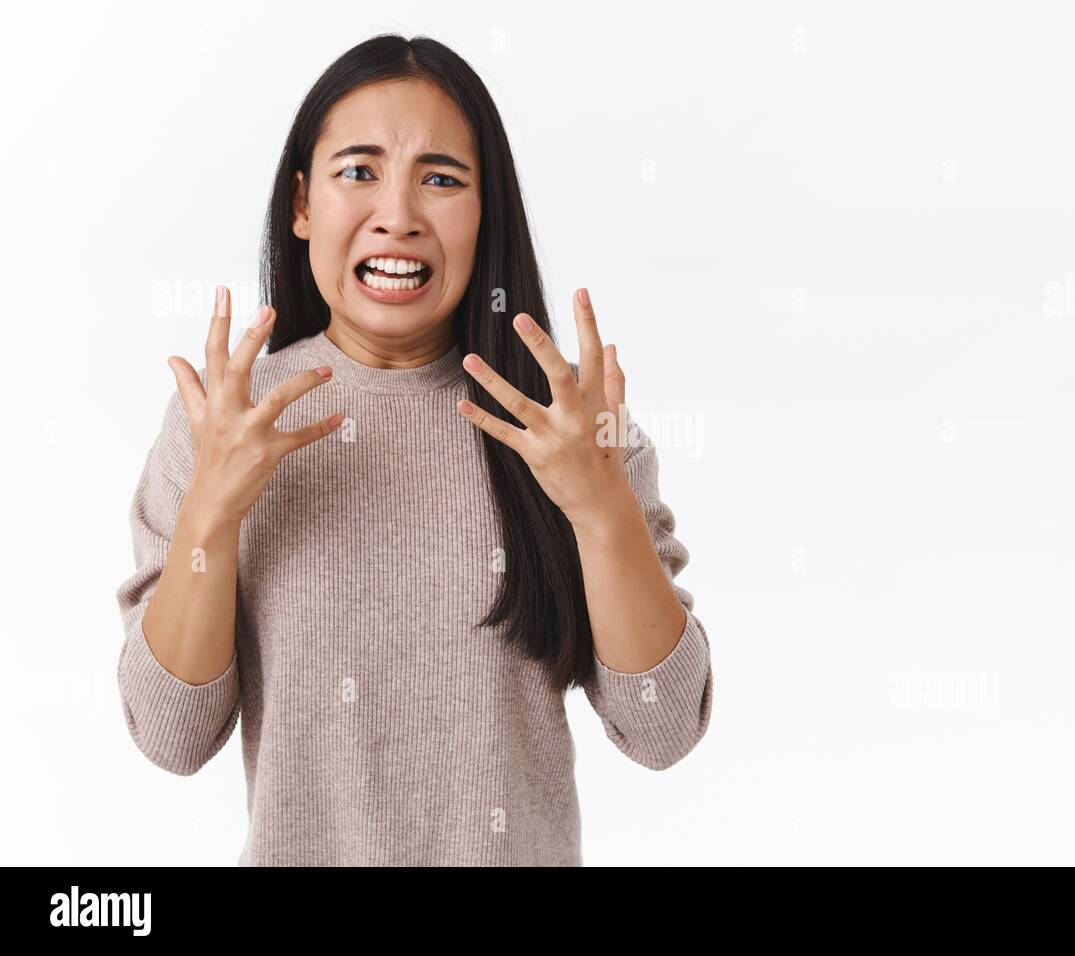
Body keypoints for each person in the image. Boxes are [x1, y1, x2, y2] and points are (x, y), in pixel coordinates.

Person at [114, 33, 713, 866]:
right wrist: (212, 511)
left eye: (440, 179)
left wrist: (601, 510)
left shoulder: (570, 424)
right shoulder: (223, 424)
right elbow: (170, 736)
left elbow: (663, 727)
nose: (397, 214)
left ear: (486, 210)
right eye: (358, 171)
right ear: (300, 204)